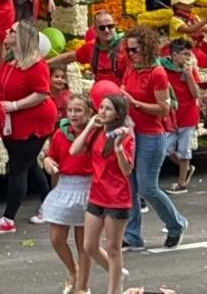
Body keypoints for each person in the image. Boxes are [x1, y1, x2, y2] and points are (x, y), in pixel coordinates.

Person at [120, 26, 186, 251]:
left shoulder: (157, 73)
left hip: (151, 134)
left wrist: (135, 103)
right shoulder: (131, 68)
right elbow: (123, 91)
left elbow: (163, 109)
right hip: (131, 133)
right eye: (128, 50)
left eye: (135, 50)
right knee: (129, 186)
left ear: (146, 48)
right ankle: (132, 235)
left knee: (148, 188)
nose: (131, 54)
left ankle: (176, 224)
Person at [43, 93, 110, 294]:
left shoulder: (97, 133)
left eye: (78, 110)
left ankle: (83, 286)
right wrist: (47, 161)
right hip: (66, 186)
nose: (73, 114)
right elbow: (52, 156)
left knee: (84, 243)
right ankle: (73, 271)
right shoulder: (60, 133)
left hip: (88, 187)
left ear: (89, 112)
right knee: (57, 238)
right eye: (70, 110)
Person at [0, 21, 56, 233]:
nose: (6, 32)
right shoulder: (10, 61)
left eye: (11, 31)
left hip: (34, 122)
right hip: (13, 121)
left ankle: (9, 218)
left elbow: (42, 93)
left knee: (19, 167)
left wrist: (15, 105)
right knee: (29, 163)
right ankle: (49, 203)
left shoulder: (38, 65)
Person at [70, 92, 134, 294]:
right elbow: (74, 151)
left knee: (113, 248)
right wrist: (90, 126)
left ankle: (113, 290)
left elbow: (127, 170)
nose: (102, 111)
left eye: (108, 108)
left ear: (118, 114)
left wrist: (117, 148)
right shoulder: (97, 132)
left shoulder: (125, 135)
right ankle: (118, 274)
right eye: (102, 107)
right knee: (89, 246)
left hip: (117, 198)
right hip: (97, 195)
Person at [161, 38, 202, 193]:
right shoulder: (163, 67)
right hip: (171, 114)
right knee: (166, 148)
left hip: (188, 115)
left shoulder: (190, 70)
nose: (188, 58)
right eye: (185, 54)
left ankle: (182, 183)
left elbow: (196, 93)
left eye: (189, 54)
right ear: (175, 55)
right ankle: (187, 168)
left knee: (185, 150)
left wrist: (189, 76)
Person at [51, 11, 125, 84]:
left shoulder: (126, 46)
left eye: (110, 26)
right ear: (95, 30)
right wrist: (44, 64)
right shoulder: (91, 47)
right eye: (102, 28)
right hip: (100, 92)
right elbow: (70, 57)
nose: (107, 30)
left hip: (122, 93)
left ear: (115, 26)